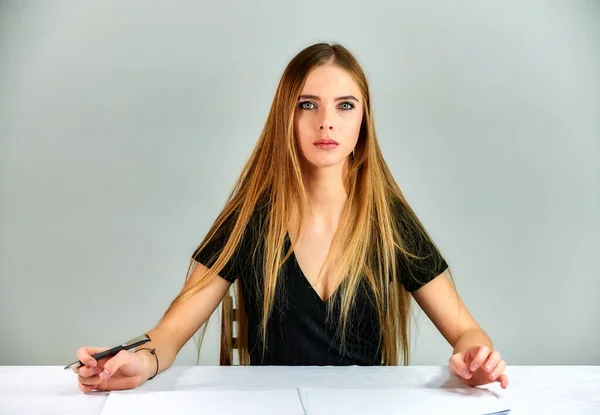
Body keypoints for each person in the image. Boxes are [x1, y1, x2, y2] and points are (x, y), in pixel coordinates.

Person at [73, 42, 509, 393]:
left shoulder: (388, 221)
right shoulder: (249, 218)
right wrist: (141, 362)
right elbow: (169, 333)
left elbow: (468, 333)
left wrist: (477, 359)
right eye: (307, 105)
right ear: (287, 116)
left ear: (364, 122)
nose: (326, 123)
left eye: (344, 106)